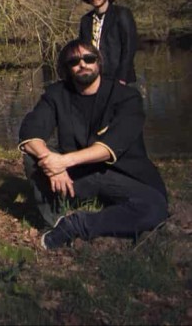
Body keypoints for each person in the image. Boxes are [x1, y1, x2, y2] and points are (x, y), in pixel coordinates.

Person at [18, 39, 167, 250]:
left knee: (154, 208)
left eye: (89, 58)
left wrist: (63, 161)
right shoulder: (57, 94)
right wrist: (49, 160)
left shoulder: (126, 96)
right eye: (74, 61)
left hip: (121, 174)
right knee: (33, 156)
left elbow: (110, 147)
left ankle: (77, 224)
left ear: (99, 62)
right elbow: (30, 131)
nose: (82, 64)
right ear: (67, 68)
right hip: (77, 176)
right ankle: (53, 220)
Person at [78, 0, 138, 85]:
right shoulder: (85, 20)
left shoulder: (121, 14)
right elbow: (83, 50)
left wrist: (122, 77)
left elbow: (129, 46)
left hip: (118, 78)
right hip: (93, 77)